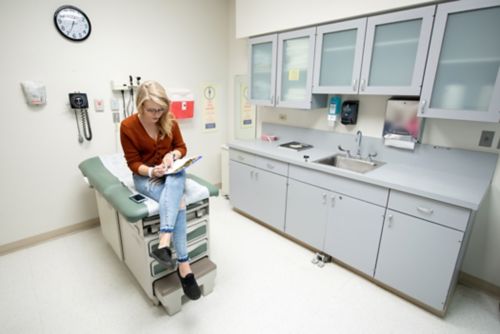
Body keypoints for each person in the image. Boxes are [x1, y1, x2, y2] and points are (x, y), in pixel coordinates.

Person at [120, 80, 201, 300]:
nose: (157, 114)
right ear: (140, 106)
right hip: (145, 178)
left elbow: (182, 148)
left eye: (160, 109)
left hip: (170, 174)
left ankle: (164, 243)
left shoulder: (170, 121)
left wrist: (172, 156)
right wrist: (151, 171)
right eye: (151, 110)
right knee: (179, 201)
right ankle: (184, 267)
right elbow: (133, 163)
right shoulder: (127, 126)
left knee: (177, 174)